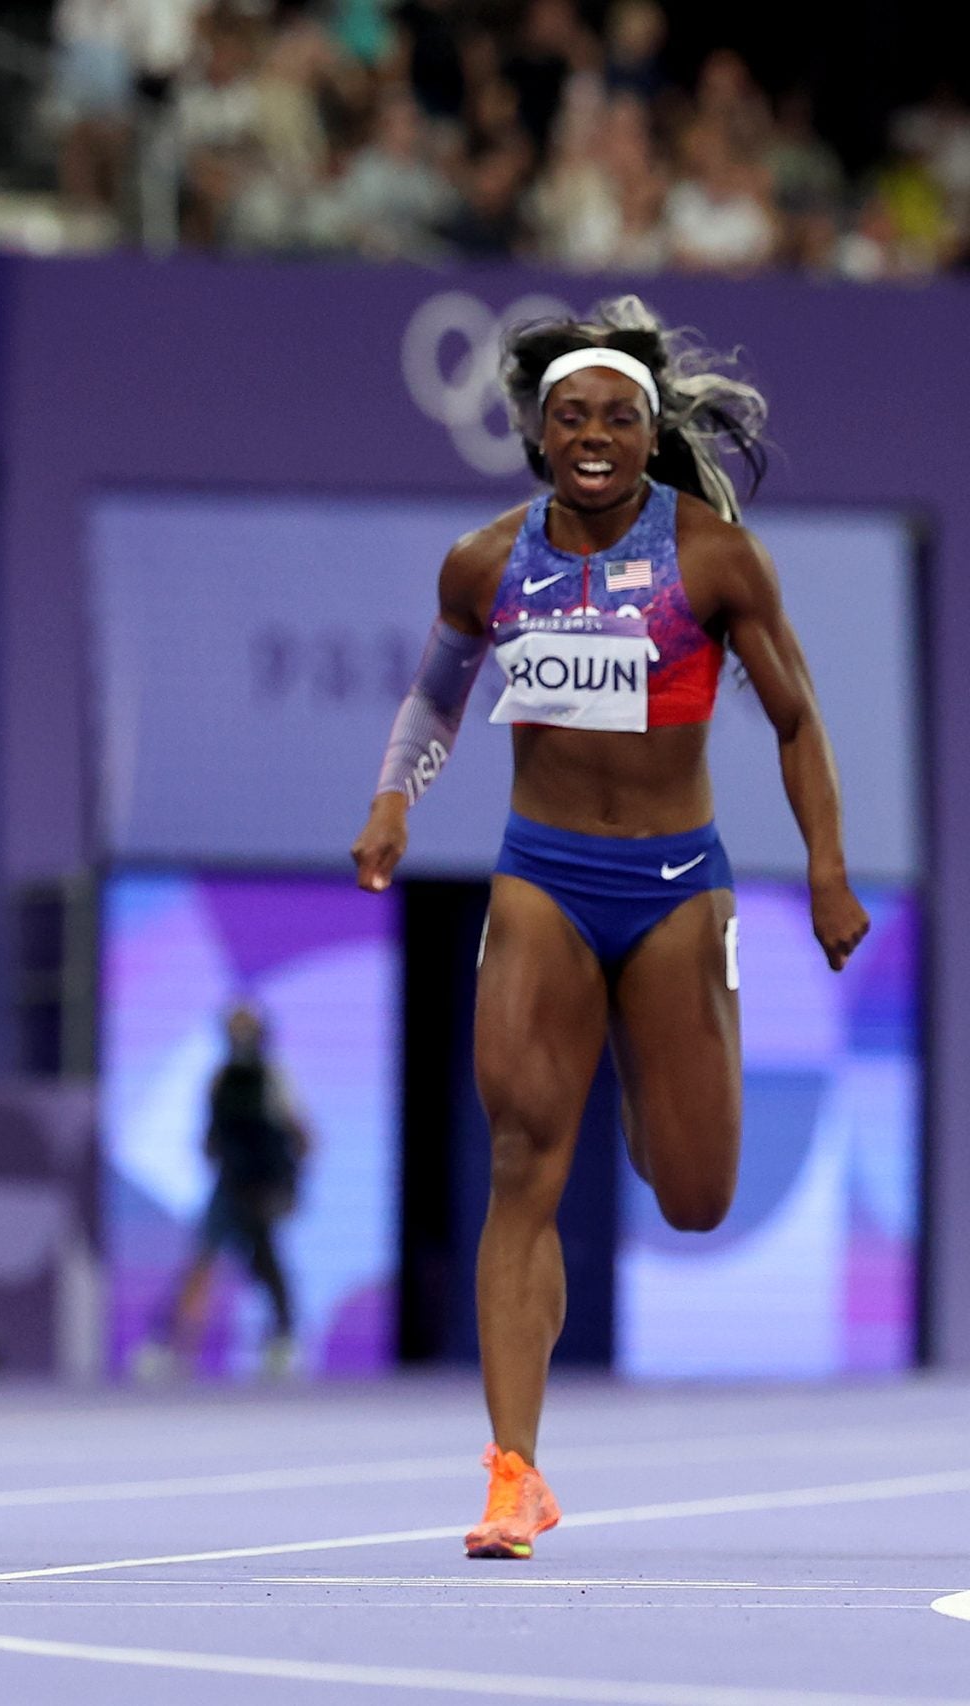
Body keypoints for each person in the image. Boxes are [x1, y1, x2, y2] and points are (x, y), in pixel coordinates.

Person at [352, 296, 868, 1561]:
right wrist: (387, 806)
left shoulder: (712, 560)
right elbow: (434, 698)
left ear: (649, 435)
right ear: (536, 434)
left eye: (617, 418)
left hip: (677, 883)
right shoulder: (484, 562)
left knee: (693, 1196)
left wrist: (826, 870)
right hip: (540, 878)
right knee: (521, 1157)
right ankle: (512, 1472)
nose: (593, 435)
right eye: (570, 417)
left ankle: (658, 1074)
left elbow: (795, 722)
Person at [133, 1004, 309, 1381]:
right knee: (203, 1258)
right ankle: (170, 1344)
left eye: (248, 1029)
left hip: (261, 1188)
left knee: (266, 1262)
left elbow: (300, 1134)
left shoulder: (274, 1077)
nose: (241, 1037)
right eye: (235, 1029)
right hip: (229, 1186)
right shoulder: (220, 1079)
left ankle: (284, 1341)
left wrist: (289, 1185)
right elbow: (210, 1136)